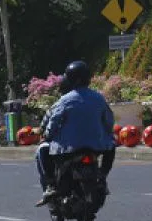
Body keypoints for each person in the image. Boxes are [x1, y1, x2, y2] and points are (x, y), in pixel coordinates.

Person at [35, 60, 115, 206]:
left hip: (67, 148)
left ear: (72, 80)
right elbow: (109, 121)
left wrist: (46, 135)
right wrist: (106, 135)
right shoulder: (99, 98)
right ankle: (102, 176)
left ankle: (51, 186)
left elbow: (53, 122)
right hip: (97, 146)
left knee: (42, 150)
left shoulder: (65, 100)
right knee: (112, 145)